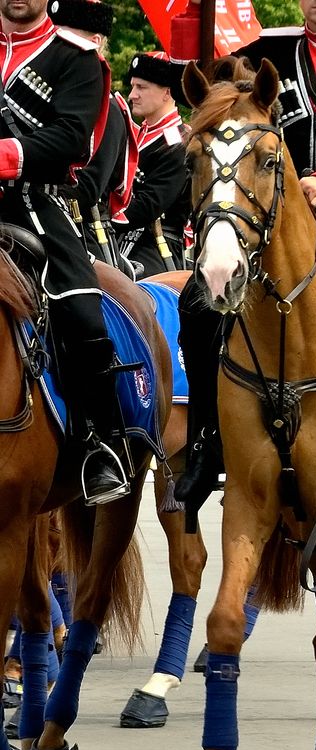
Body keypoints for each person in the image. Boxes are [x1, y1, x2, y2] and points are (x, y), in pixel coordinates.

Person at [170, 0, 316, 520]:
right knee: (196, 303)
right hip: (266, 217)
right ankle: (206, 444)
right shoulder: (263, 53)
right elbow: (225, 117)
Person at [0, 0, 130, 504]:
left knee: (82, 310)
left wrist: (5, 156)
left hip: (35, 204)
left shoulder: (75, 57)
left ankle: (101, 442)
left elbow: (72, 139)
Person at [48, 0, 139, 273]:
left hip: (84, 232)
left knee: (82, 312)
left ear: (95, 41)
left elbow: (87, 188)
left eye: (63, 38)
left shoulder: (108, 107)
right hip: (34, 216)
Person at [113, 51, 189, 276]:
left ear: (167, 92)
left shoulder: (180, 142)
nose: (132, 95)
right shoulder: (136, 135)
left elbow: (149, 204)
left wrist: (108, 219)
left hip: (156, 243)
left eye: (141, 87)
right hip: (120, 235)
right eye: (133, 86)